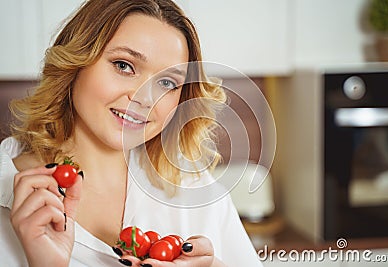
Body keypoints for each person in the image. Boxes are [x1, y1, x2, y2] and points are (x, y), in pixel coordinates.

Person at [0, 0, 263, 266]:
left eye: (166, 82)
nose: (144, 99)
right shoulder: (7, 189)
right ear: (76, 62)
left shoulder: (194, 186)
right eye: (124, 65)